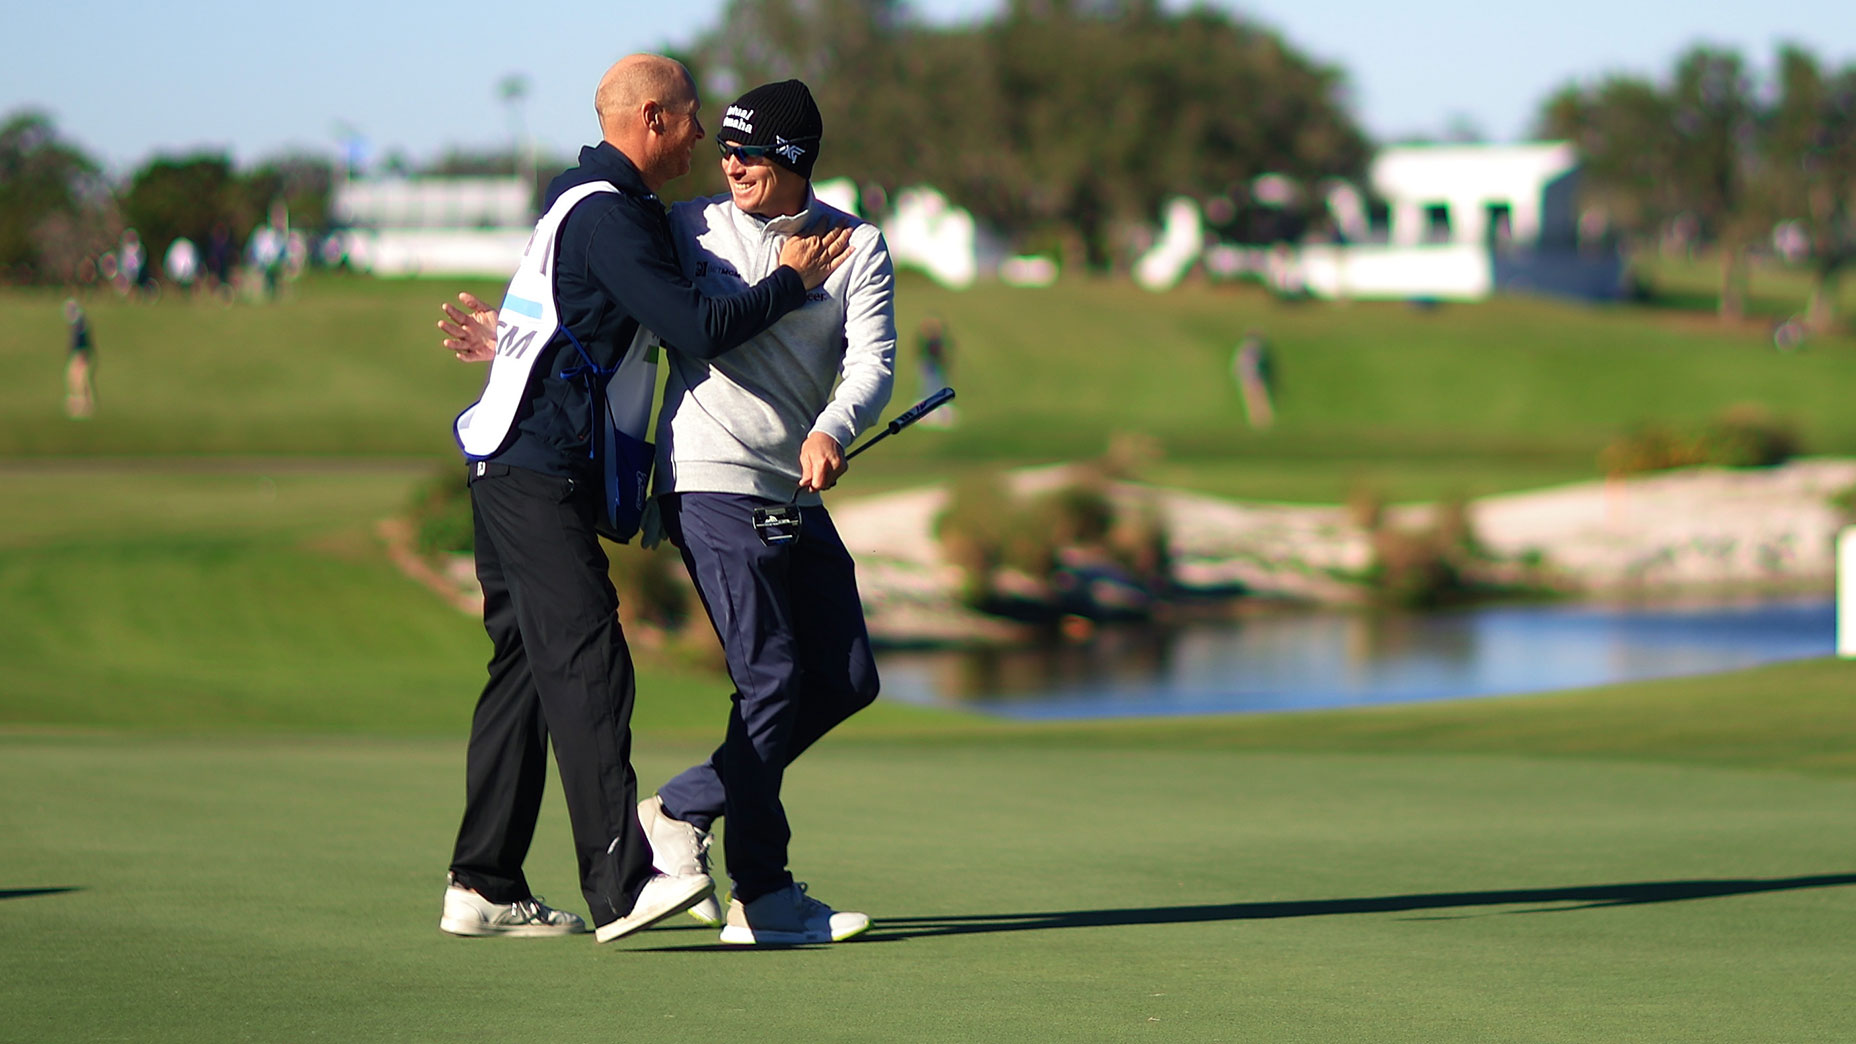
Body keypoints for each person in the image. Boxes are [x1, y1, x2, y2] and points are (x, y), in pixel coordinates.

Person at [442, 78, 893, 947]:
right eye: (716, 142)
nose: (724, 161)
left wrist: (835, 425)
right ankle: (741, 891)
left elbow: (872, 359)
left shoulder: (856, 244)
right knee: (751, 677)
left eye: (748, 152)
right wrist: (791, 285)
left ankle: (552, 854)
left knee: (844, 676)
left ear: (794, 160)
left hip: (791, 481)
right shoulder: (677, 222)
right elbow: (668, 316)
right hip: (706, 475)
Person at [63, 299, 96, 419]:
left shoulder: (79, 323)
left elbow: (80, 340)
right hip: (80, 353)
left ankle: (82, 403)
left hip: (81, 354)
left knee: (79, 378)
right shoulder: (79, 321)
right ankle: (85, 402)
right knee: (78, 377)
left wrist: (81, 354)